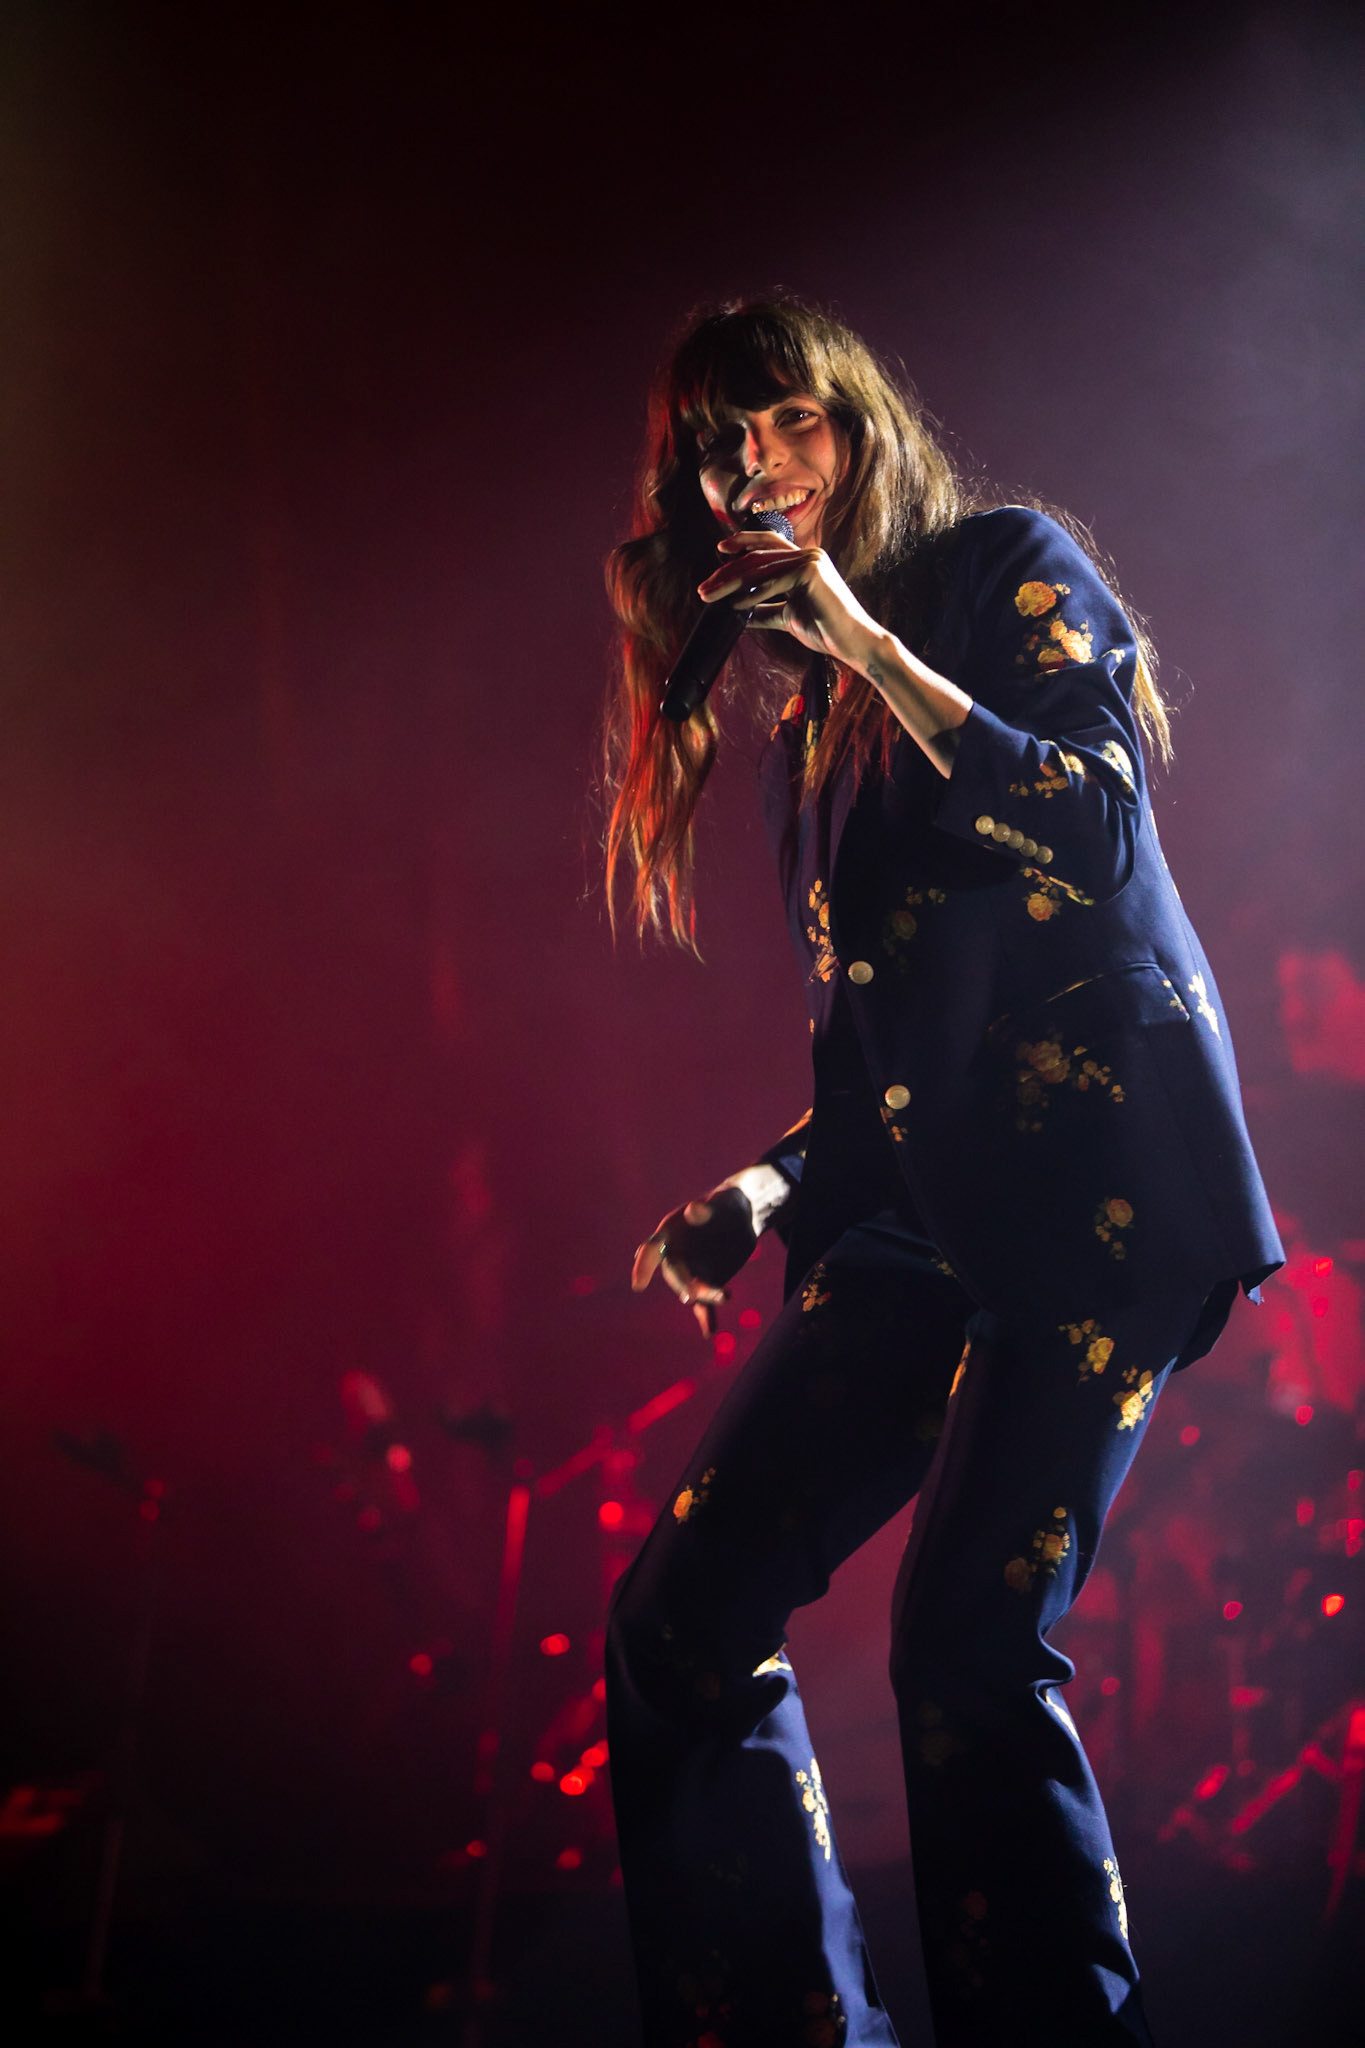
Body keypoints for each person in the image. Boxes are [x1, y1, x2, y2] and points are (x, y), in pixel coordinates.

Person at [599, 299, 1282, 2048]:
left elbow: (1095, 819)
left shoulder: (1003, 570)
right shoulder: (802, 757)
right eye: (721, 447)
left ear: (862, 422)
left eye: (789, 424)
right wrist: (761, 1190)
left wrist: (859, 637)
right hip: (923, 1218)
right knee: (675, 1626)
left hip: (1099, 1194)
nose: (756, 469)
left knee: (965, 1656)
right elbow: (889, 1071)